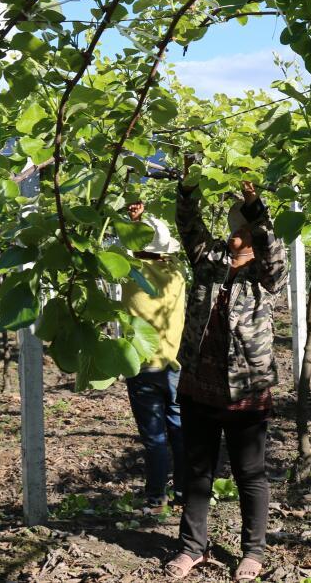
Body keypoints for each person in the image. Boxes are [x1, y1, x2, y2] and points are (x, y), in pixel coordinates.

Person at [165, 159, 287, 581]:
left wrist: (256, 205)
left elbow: (272, 248)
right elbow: (188, 225)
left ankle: (252, 552)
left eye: (243, 229)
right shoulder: (209, 258)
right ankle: (191, 548)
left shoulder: (267, 273)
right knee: (197, 470)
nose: (235, 236)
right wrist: (188, 186)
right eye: (234, 228)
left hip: (246, 389)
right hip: (199, 383)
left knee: (249, 473)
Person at [122, 198, 188, 513]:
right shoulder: (176, 275)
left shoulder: (134, 277)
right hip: (176, 365)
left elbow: (129, 255)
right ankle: (185, 492)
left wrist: (134, 222)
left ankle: (155, 497)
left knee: (154, 437)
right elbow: (154, 249)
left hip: (144, 366)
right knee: (178, 429)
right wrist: (145, 224)